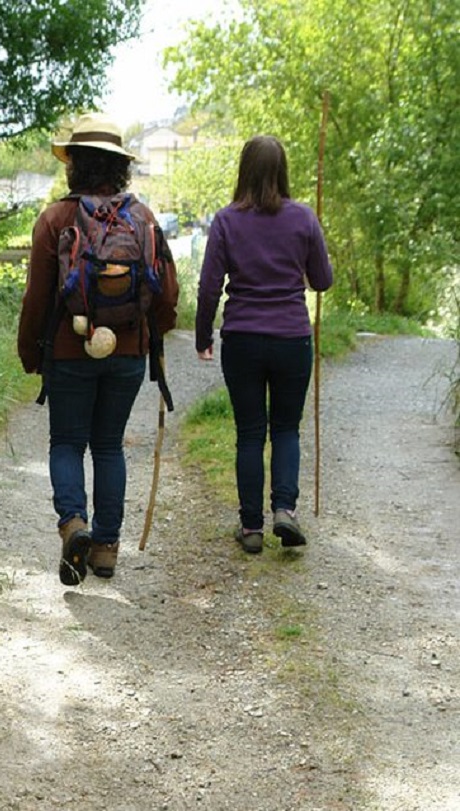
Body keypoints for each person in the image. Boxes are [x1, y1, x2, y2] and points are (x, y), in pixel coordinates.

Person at [17, 112, 180, 585]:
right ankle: (105, 549)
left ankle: (74, 524)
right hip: (128, 352)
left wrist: (32, 353)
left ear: (74, 165)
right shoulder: (144, 217)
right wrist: (154, 335)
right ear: (119, 168)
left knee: (67, 442)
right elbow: (167, 292)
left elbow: (37, 298)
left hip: (69, 350)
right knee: (109, 445)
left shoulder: (55, 218)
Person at [196, 134, 333, 554]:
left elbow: (208, 287)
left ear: (244, 171)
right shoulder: (304, 218)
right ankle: (285, 513)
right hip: (292, 337)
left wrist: (203, 336)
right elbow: (323, 281)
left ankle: (251, 527)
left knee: (250, 433)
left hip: (242, 338)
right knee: (286, 428)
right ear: (283, 171)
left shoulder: (226, 220)